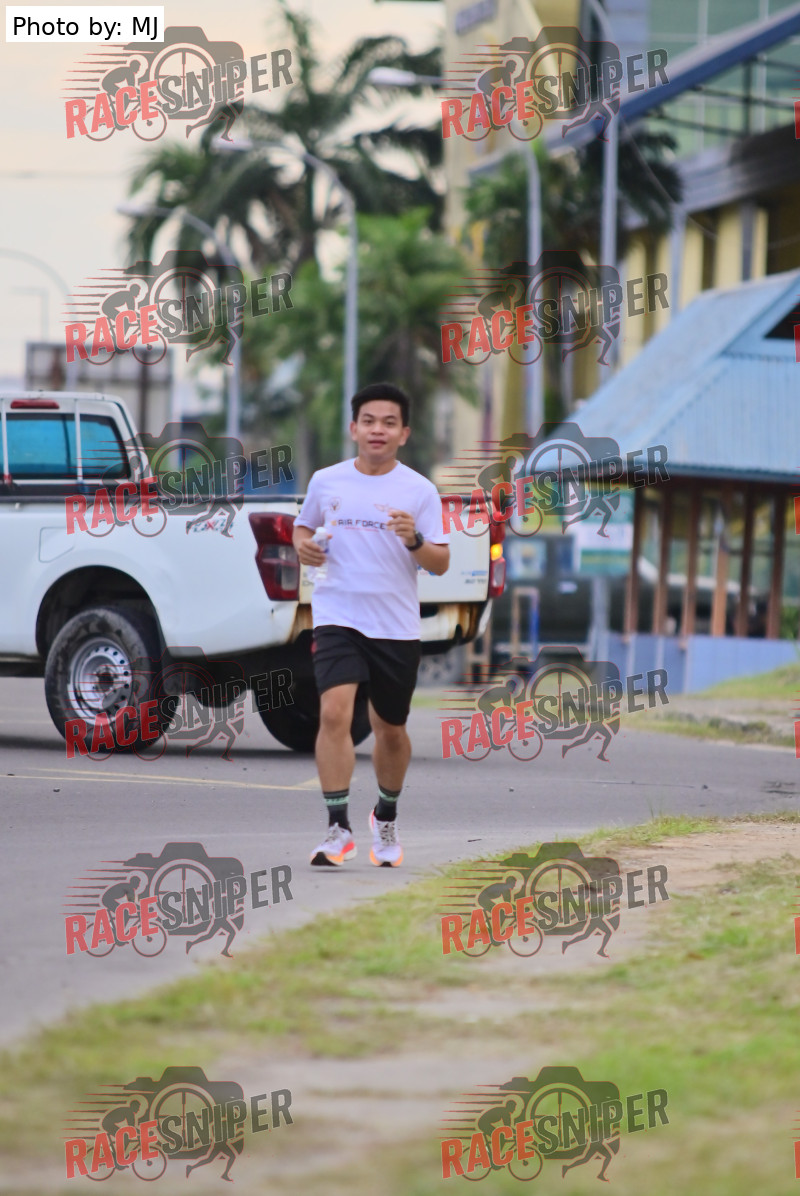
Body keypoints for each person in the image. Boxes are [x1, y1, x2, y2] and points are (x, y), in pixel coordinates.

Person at [293, 383, 450, 867]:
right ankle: (336, 829)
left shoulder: (419, 490)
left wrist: (414, 539)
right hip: (337, 616)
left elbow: (440, 562)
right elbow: (303, 527)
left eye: (388, 423)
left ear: (404, 433)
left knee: (391, 729)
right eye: (368, 421)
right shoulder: (327, 481)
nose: (377, 430)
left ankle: (385, 816)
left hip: (395, 626)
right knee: (334, 714)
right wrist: (303, 546)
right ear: (353, 428)